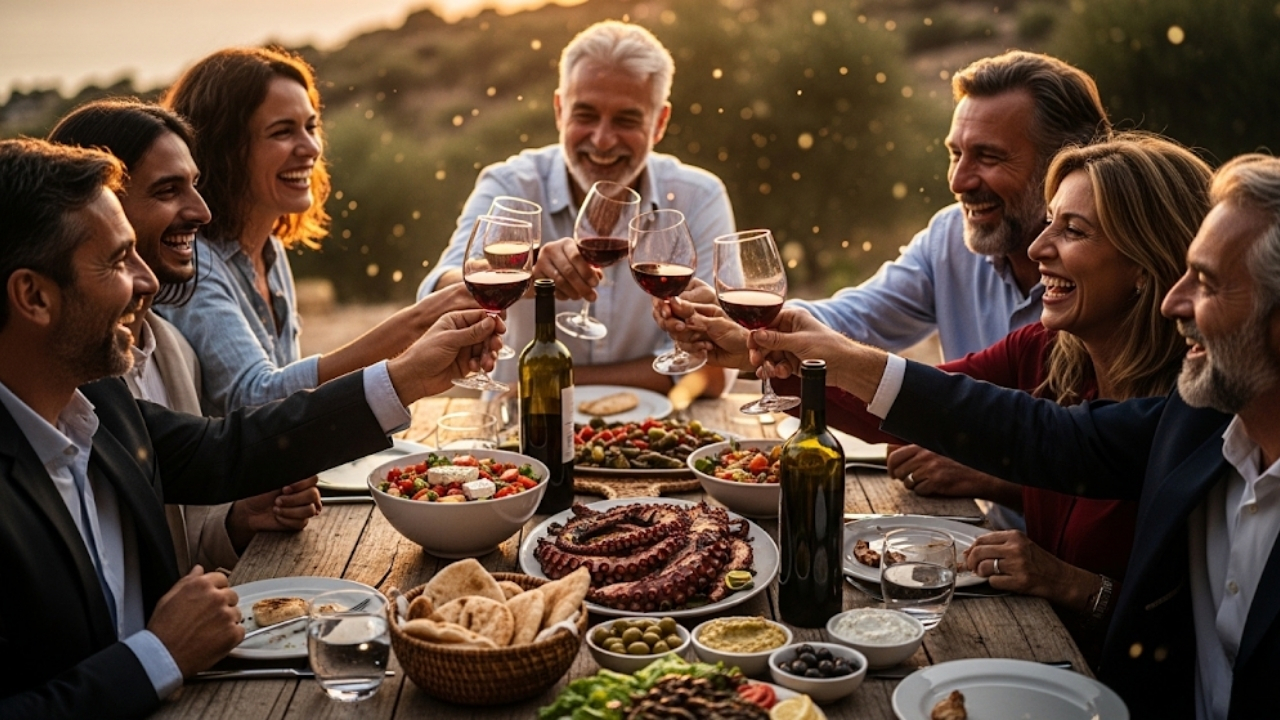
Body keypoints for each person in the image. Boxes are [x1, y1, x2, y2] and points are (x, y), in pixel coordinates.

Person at [747, 154, 1280, 719]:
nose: (1178, 301)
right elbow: (1017, 428)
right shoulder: (1198, 424)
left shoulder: (1186, 409)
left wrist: (1077, 583)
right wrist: (794, 352)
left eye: (1209, 284)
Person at [0, 137, 502, 718]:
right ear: (33, 295)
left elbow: (226, 448)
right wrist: (156, 655)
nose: (148, 283)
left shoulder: (95, 402)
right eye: (117, 261)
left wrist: (403, 380)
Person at [659, 50, 1111, 528]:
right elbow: (866, 338)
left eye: (990, 157)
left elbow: (1112, 474)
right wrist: (749, 331)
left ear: (1067, 164)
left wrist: (996, 474)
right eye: (955, 153)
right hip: (989, 544)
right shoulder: (950, 241)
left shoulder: (1115, 303)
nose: (958, 180)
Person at [48, 99, 323, 572]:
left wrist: (238, 521)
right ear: (100, 209)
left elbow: (181, 539)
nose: (201, 212)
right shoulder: (63, 385)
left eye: (194, 186)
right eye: (168, 190)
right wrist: (405, 368)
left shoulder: (172, 351)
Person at [417, 20, 734, 395]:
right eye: (585, 115)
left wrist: (539, 379)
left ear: (659, 123)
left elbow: (715, 372)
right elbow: (436, 297)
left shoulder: (697, 196)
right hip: (520, 440)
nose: (602, 140)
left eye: (626, 119)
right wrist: (522, 276)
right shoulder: (510, 185)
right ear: (559, 110)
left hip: (652, 436)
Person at [159, 47, 477, 416]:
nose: (311, 147)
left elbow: (285, 405)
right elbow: (258, 398)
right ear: (224, 148)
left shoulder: (270, 250)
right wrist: (418, 322)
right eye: (282, 131)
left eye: (311, 127)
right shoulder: (192, 263)